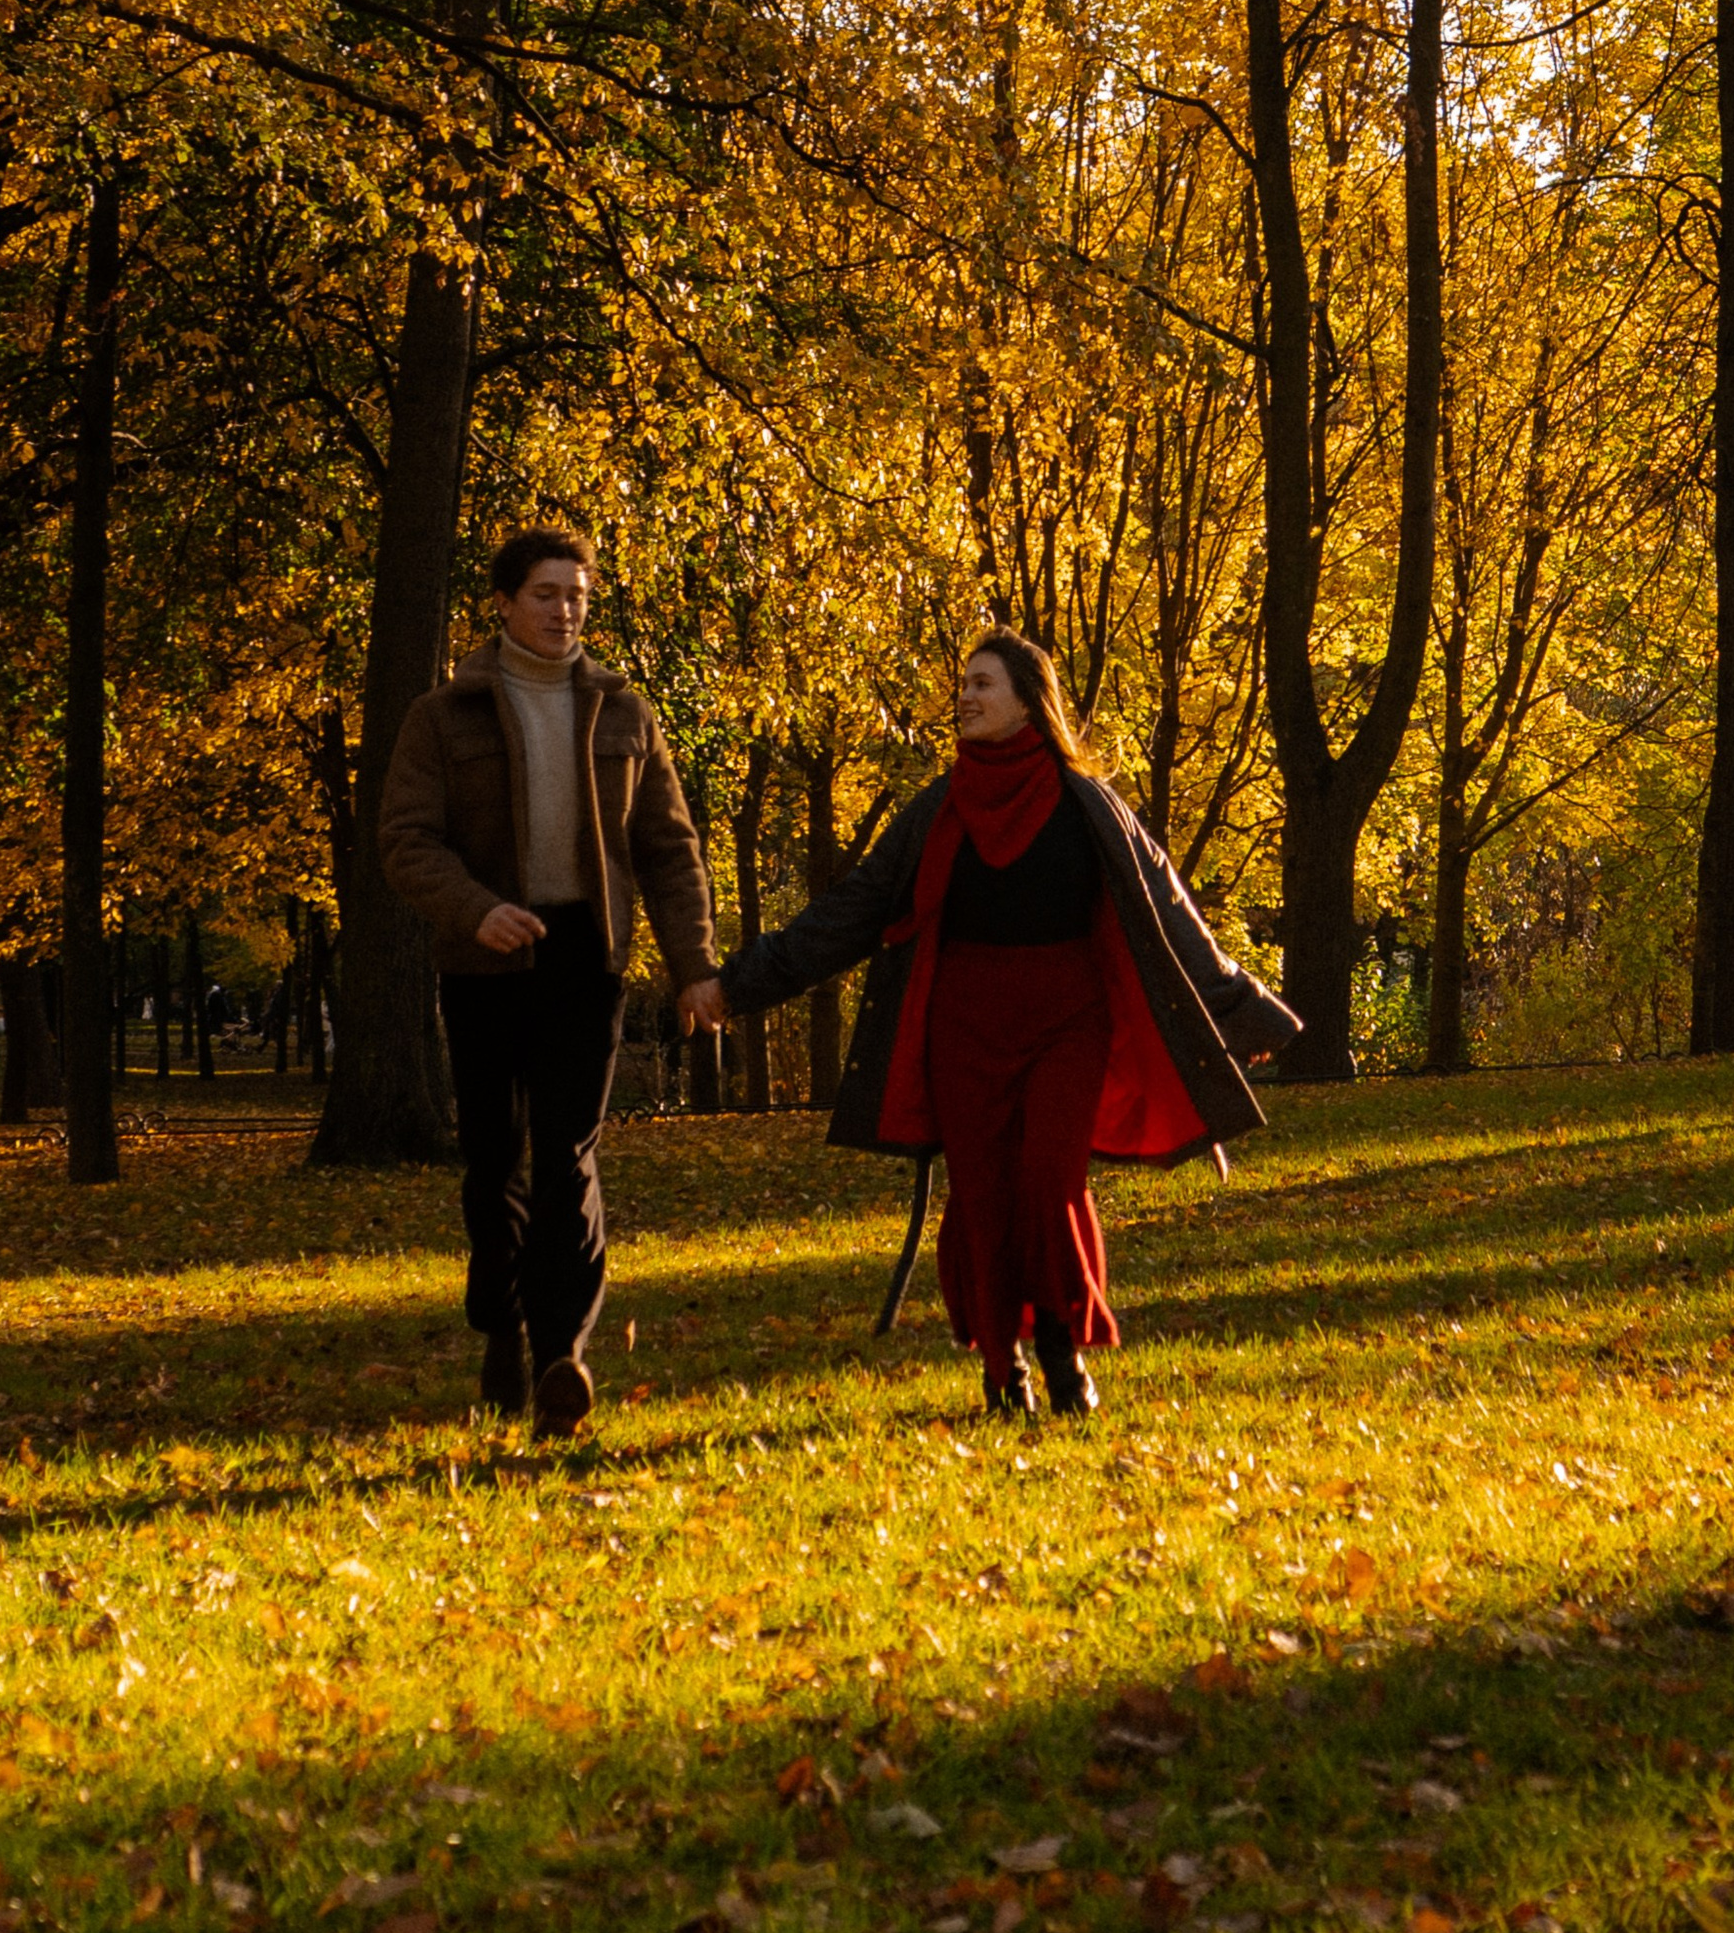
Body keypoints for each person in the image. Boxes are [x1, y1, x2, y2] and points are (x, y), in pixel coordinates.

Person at [687, 632, 1298, 1417]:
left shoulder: (1088, 805)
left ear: (1026, 698)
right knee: (981, 1193)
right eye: (963, 685)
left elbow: (1169, 915)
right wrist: (736, 986)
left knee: (1049, 1180)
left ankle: (1062, 1350)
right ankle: (1000, 1367)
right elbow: (850, 912)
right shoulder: (935, 811)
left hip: (1068, 1019)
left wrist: (1241, 1010)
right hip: (965, 1026)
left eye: (981, 684)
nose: (965, 697)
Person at [379, 527, 719, 1434]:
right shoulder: (442, 715)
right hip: (486, 955)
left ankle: (560, 1356)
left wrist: (694, 969)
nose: (563, 609)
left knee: (568, 1152)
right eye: (544, 593)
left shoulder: (622, 710)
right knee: (495, 1160)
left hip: (584, 953)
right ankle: (504, 1323)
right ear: (502, 603)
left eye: (576, 594)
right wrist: (475, 908)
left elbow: (669, 849)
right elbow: (407, 841)